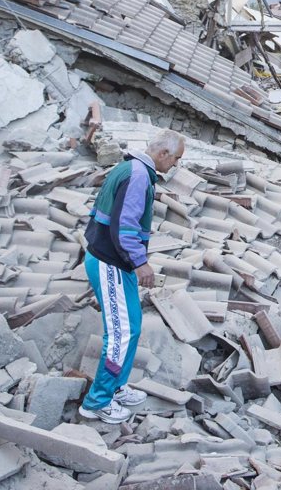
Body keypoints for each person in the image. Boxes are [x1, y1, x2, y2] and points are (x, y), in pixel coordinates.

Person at [78, 129, 185, 424]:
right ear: (163, 154)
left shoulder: (132, 168)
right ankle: (97, 402)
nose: (175, 165)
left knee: (132, 327)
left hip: (113, 261)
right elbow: (124, 227)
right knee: (121, 333)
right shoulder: (138, 176)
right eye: (175, 159)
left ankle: (116, 387)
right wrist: (140, 263)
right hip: (109, 262)